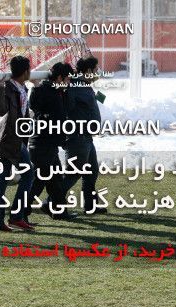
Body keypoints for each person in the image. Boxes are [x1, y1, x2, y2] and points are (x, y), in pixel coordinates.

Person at [26, 62, 76, 220]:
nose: (69, 83)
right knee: (39, 182)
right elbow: (34, 105)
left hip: (49, 145)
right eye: (67, 79)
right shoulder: (45, 90)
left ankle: (60, 212)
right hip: (42, 145)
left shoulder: (58, 91)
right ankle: (19, 213)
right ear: (60, 77)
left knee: (55, 180)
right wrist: (35, 87)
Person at [0, 56, 35, 232]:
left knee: (6, 178)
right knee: (22, 175)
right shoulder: (9, 88)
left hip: (17, 140)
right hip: (9, 140)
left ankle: (7, 219)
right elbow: (0, 110)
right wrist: (0, 90)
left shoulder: (23, 88)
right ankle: (12, 217)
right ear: (25, 71)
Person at [61, 56, 107, 215]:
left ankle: (90, 205)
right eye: (95, 70)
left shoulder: (85, 85)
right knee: (74, 173)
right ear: (87, 71)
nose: (97, 73)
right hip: (77, 138)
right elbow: (67, 109)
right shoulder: (74, 86)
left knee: (92, 172)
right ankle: (52, 201)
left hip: (87, 138)